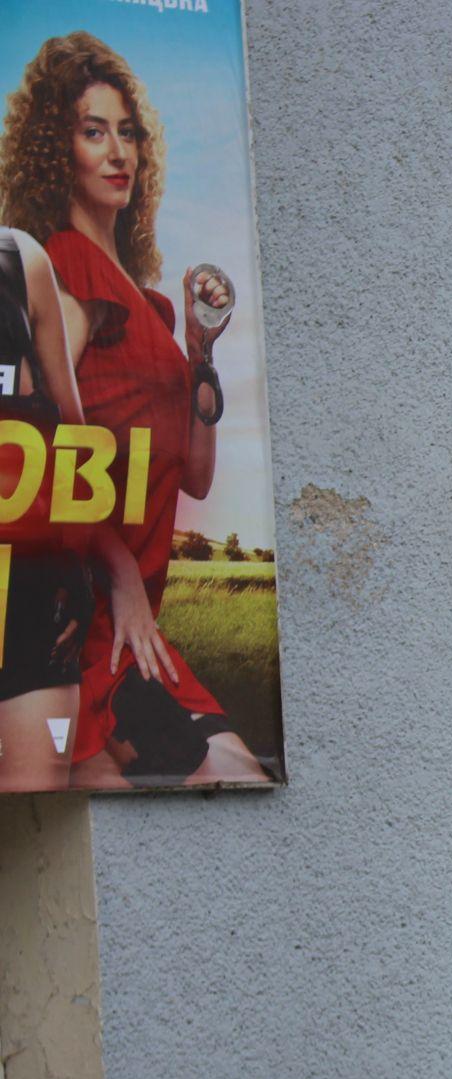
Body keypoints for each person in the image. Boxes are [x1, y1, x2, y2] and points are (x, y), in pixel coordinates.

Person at [0, 31, 267, 788]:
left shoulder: (147, 305)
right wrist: (117, 569)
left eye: (128, 131)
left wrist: (200, 347)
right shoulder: (62, 273)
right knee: (228, 780)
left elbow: (199, 475)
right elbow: (39, 448)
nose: (117, 151)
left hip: (129, 632)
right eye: (93, 131)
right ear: (59, 151)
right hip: (81, 613)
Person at [0, 223, 89, 791]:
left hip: (29, 599)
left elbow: (75, 435)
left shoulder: (19, 257)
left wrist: (76, 569)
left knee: (36, 819)